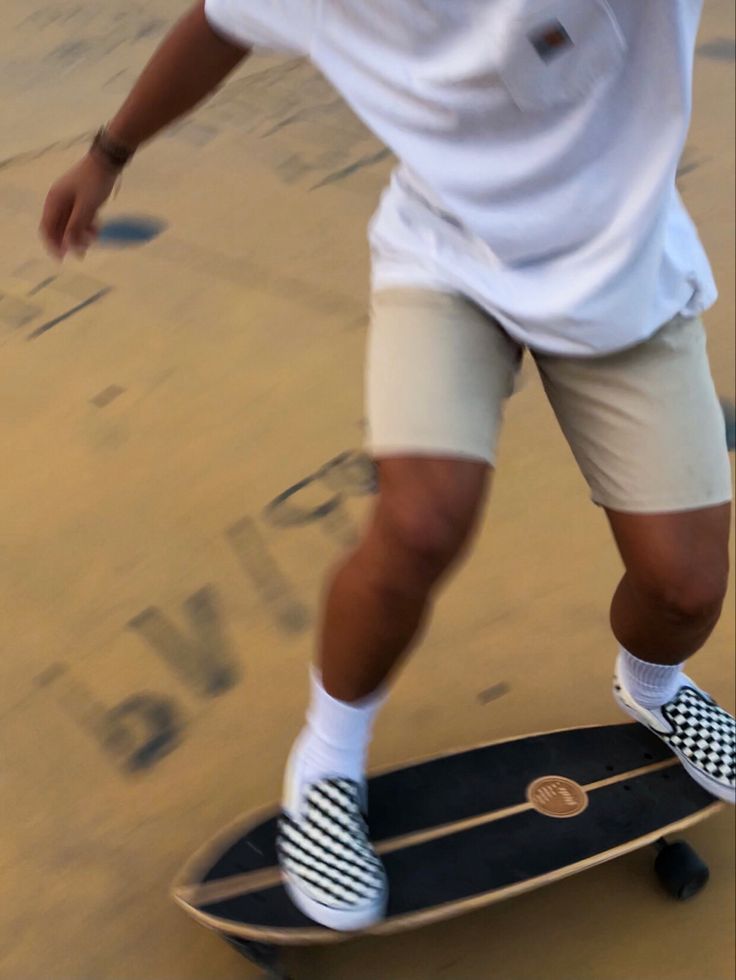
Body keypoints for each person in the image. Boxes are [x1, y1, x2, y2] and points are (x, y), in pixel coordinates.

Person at [41, 0, 734, 932]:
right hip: (448, 261)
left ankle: (652, 687)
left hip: (623, 271)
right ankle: (326, 763)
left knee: (685, 588)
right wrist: (108, 152)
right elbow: (220, 21)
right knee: (420, 521)